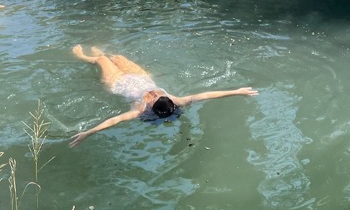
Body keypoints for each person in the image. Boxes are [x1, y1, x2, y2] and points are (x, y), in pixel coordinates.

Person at [69, 45, 258, 146]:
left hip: (118, 82)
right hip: (140, 77)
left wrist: (88, 132)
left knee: (102, 60)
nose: (153, 93)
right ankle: (102, 52)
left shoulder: (139, 109)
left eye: (153, 97)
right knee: (117, 57)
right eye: (157, 94)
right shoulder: (176, 101)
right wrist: (237, 91)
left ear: (151, 106)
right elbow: (206, 94)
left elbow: (114, 121)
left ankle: (84, 56)